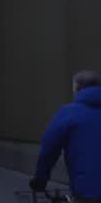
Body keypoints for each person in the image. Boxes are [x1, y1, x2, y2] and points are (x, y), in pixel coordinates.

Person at [32, 70, 101, 201]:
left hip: (87, 190)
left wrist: (40, 179)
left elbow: (49, 149)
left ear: (76, 88)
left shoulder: (68, 113)